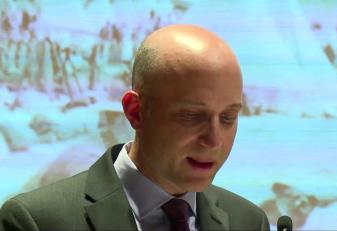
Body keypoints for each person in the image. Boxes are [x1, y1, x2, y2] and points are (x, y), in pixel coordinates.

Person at [0, 24, 270, 231]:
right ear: (135, 111)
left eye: (228, 118)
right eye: (191, 116)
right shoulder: (36, 221)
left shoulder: (248, 222)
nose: (214, 140)